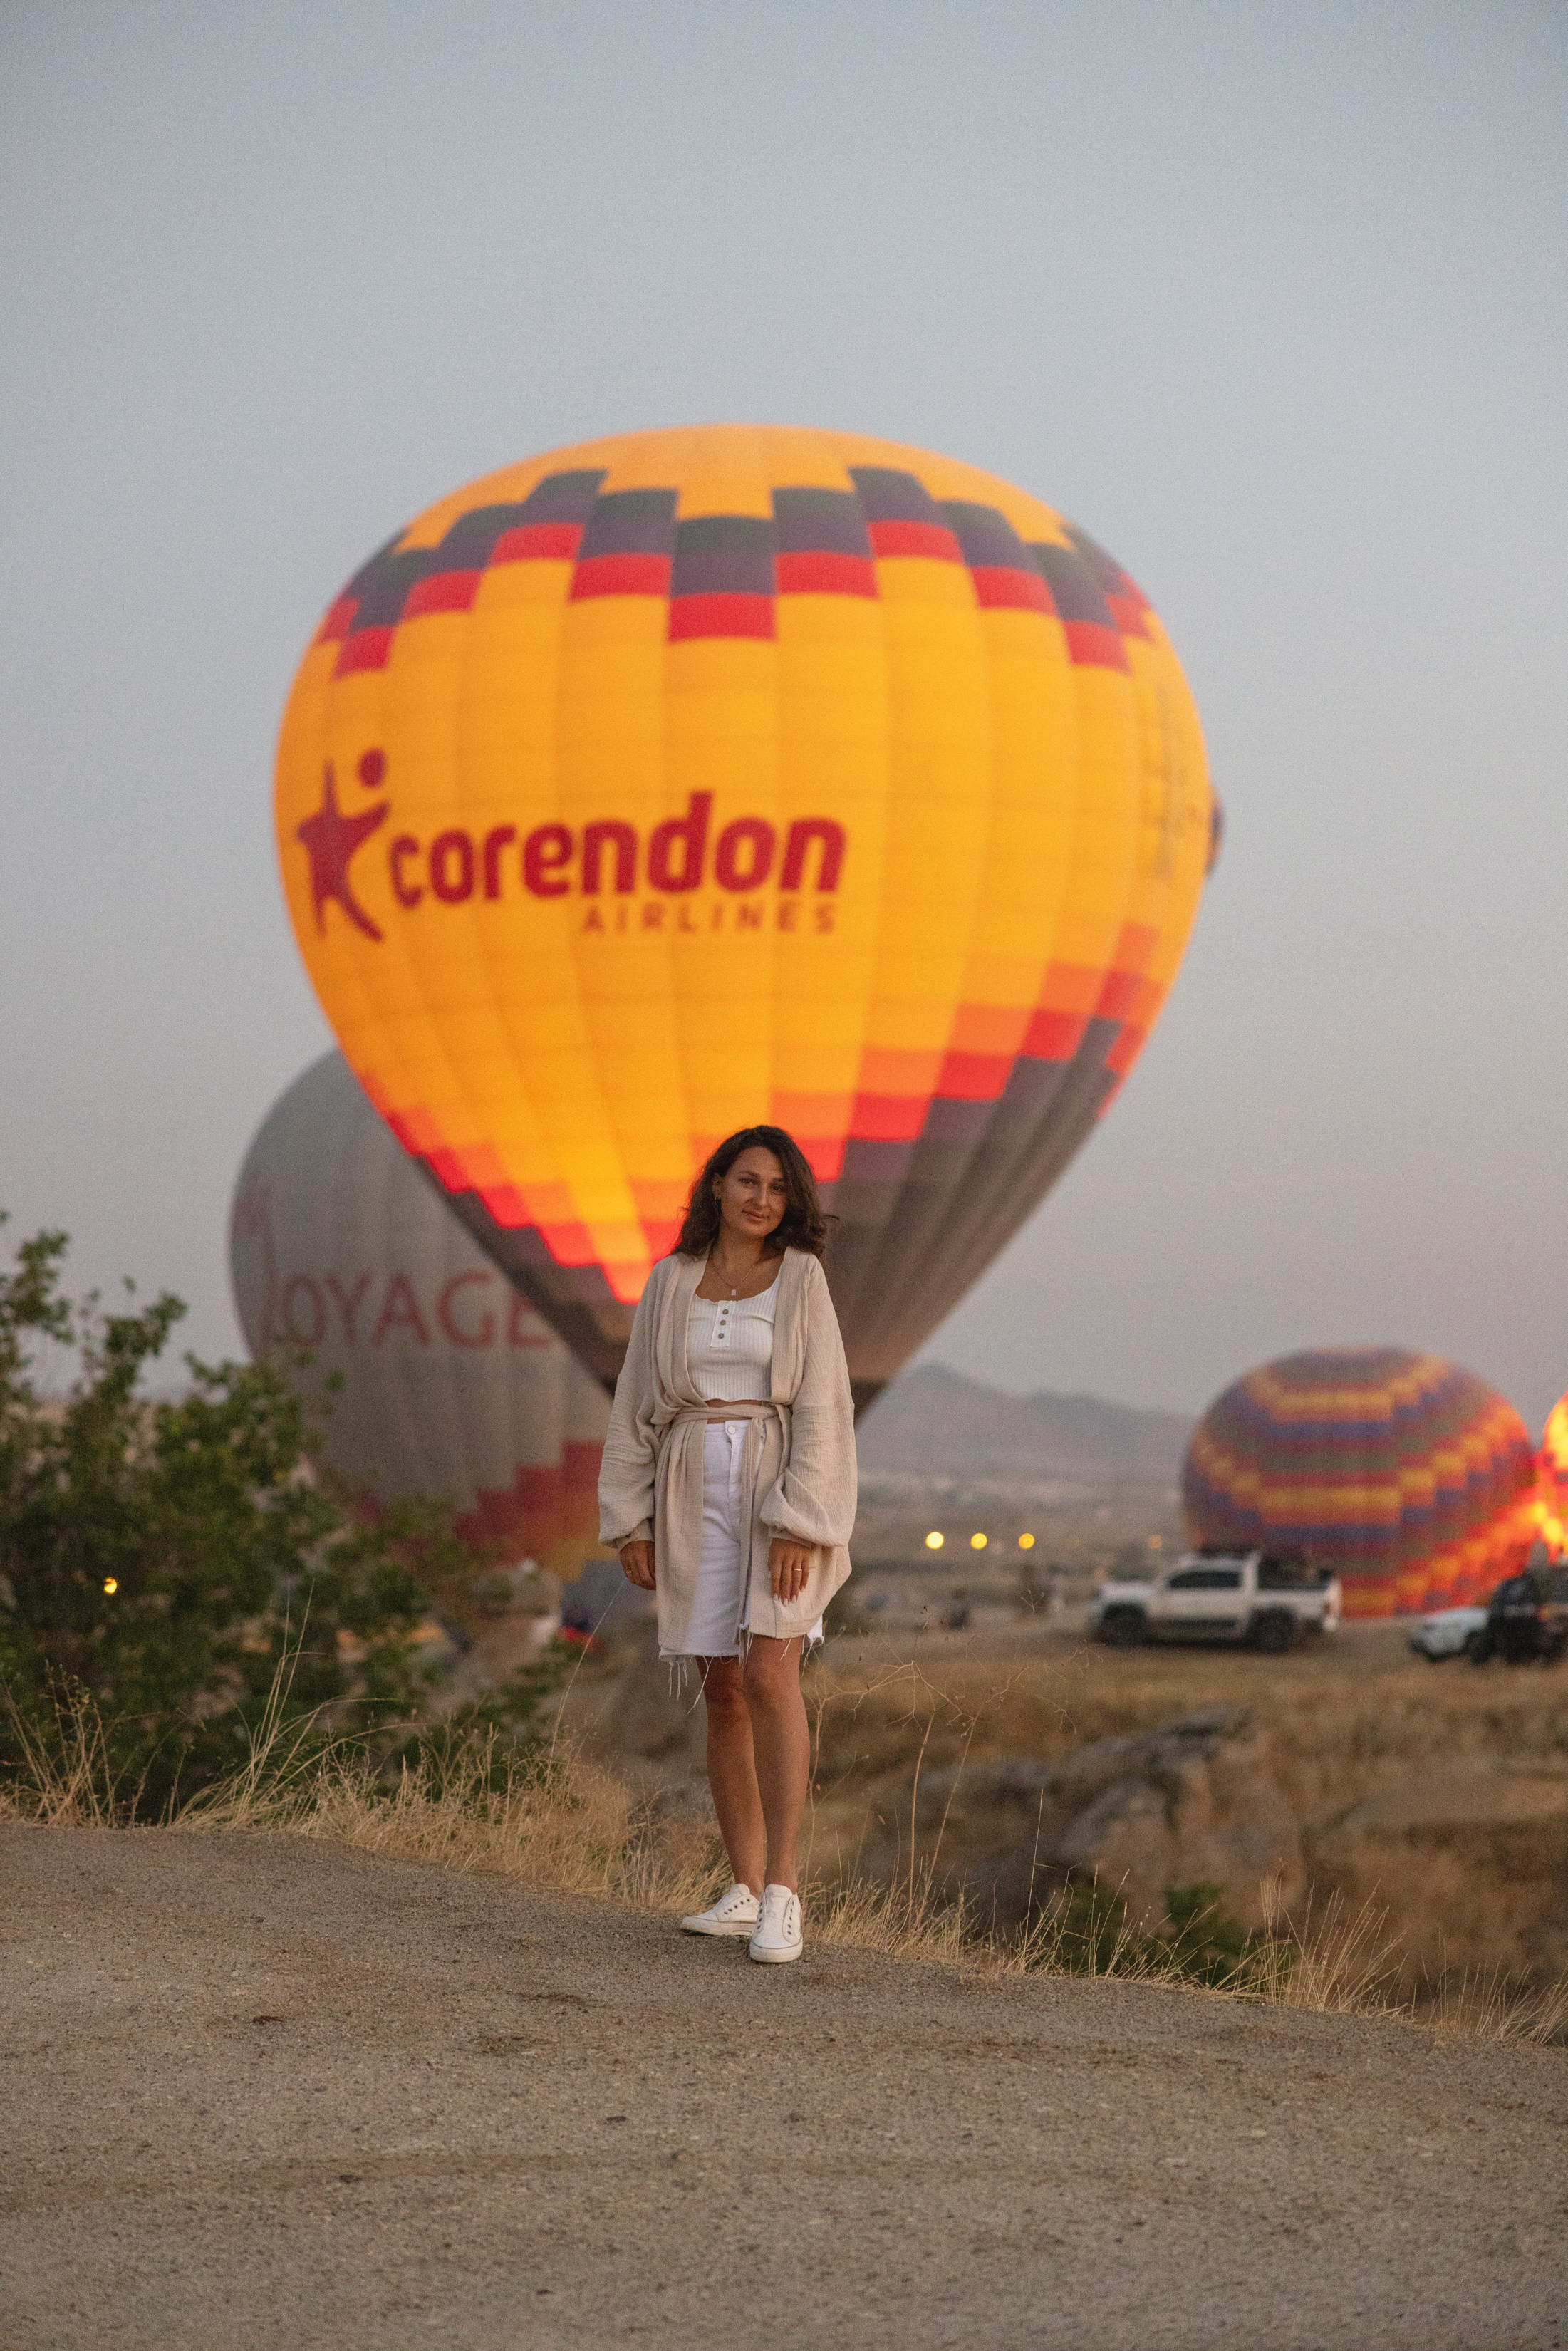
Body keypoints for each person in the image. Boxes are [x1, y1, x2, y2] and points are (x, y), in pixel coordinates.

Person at [598, 1126, 856, 1965]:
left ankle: (784, 1890)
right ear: (714, 1186)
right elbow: (635, 1404)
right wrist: (629, 1519)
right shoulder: (670, 1283)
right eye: (746, 1181)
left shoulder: (802, 1279)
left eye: (777, 1188)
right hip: (687, 1489)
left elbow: (821, 1405)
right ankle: (741, 1890)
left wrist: (800, 1520)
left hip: (773, 1485)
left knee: (771, 1672)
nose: (760, 1199)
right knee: (721, 1689)